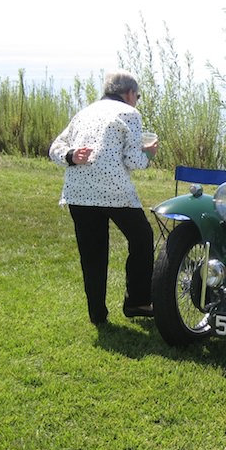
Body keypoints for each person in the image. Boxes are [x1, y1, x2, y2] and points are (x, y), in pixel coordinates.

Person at [49, 70, 159, 325]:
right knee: (142, 238)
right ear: (129, 94)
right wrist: (150, 154)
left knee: (92, 252)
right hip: (113, 190)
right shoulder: (130, 113)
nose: (137, 100)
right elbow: (133, 160)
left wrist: (71, 155)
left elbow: (55, 147)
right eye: (138, 96)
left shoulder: (84, 112)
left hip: (78, 191)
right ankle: (137, 302)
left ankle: (97, 313)